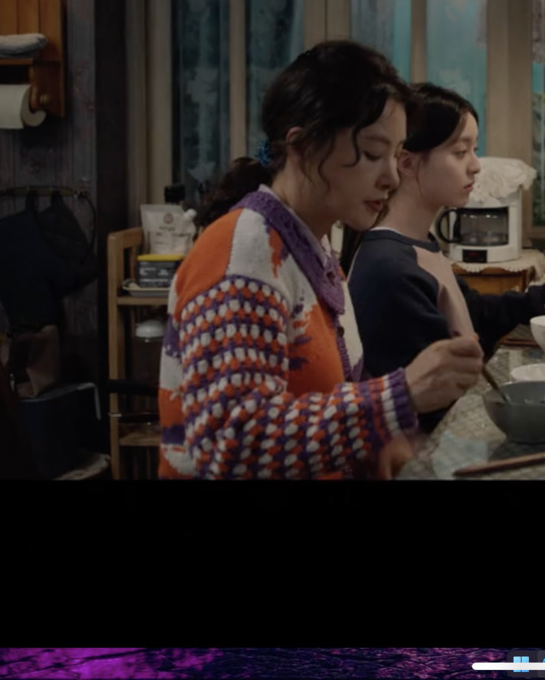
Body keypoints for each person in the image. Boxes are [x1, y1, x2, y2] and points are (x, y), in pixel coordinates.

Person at [158, 41, 484, 480]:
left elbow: (322, 400)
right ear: (304, 146)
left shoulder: (316, 246)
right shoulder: (245, 252)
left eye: (395, 155)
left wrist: (381, 442)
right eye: (371, 154)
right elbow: (229, 444)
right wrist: (399, 396)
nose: (390, 177)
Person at [348, 82, 545, 428]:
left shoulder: (419, 244)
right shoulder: (389, 268)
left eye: (473, 150)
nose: (476, 166)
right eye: (461, 151)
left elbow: (475, 315)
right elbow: (428, 403)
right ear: (406, 161)